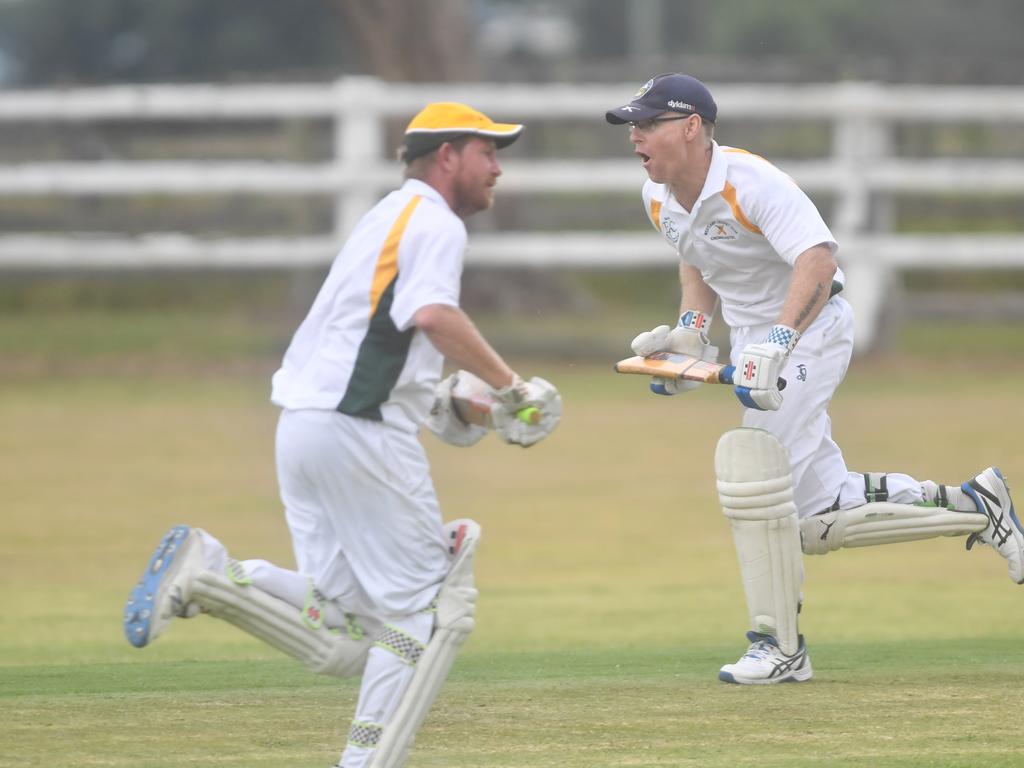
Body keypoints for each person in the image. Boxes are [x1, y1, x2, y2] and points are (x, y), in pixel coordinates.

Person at [123, 102, 561, 767]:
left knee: (349, 623)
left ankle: (214, 576)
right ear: (447, 155)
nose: (498, 168)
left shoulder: (386, 217)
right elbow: (433, 315)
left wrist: (483, 407)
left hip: (304, 430)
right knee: (428, 612)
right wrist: (513, 389)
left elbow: (402, 361)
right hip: (360, 433)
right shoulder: (437, 225)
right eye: (487, 152)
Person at [605, 73, 1023, 685]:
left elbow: (818, 262)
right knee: (822, 512)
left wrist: (777, 341)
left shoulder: (753, 184)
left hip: (810, 328)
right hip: (756, 341)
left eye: (646, 125)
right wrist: (693, 333)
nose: (635, 138)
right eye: (631, 128)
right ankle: (974, 505)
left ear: (690, 127)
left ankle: (779, 647)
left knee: (756, 472)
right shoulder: (658, 196)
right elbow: (696, 256)